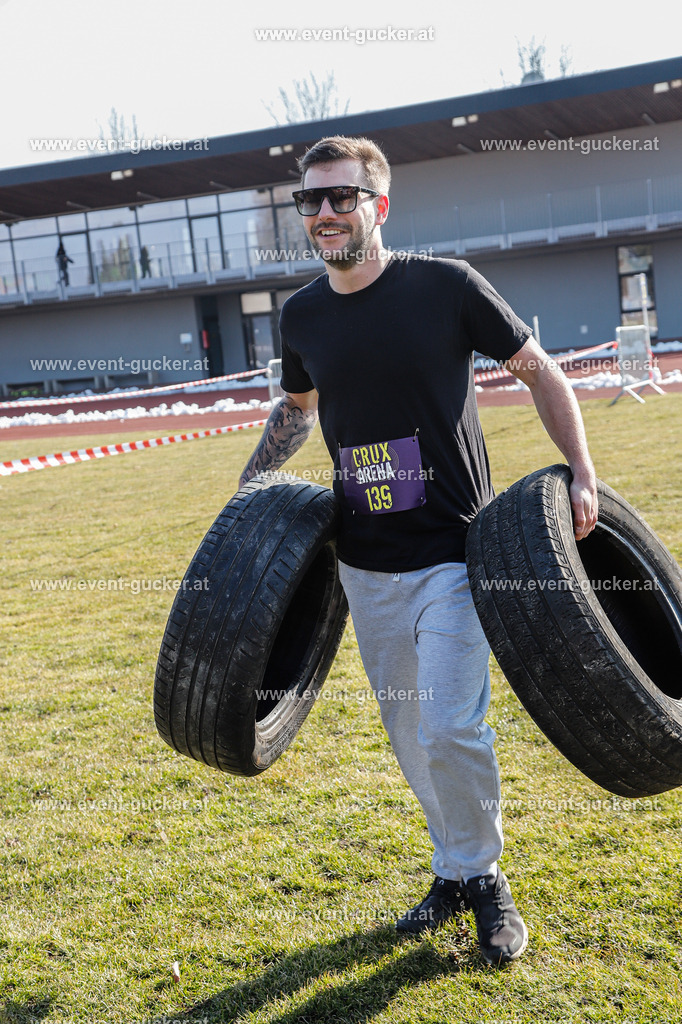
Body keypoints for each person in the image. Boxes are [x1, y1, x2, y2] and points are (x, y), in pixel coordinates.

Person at [239, 135, 597, 967]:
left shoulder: (445, 287)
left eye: (341, 197)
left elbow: (540, 370)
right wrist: (247, 490)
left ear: (379, 205)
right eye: (310, 200)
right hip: (364, 565)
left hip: (454, 554)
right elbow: (296, 411)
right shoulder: (303, 315)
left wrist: (582, 471)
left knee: (449, 725)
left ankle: (487, 882)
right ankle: (453, 869)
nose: (324, 212)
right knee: (410, 733)